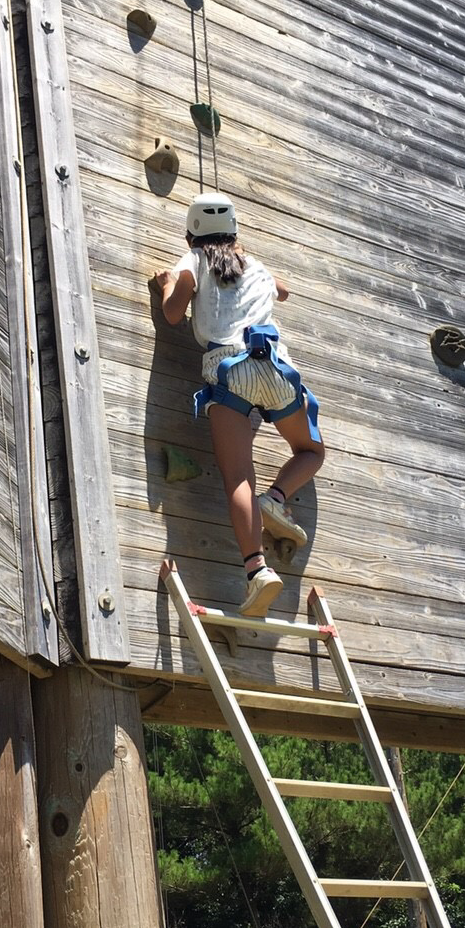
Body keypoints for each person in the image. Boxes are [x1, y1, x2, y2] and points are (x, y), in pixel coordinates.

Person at [152, 193, 326, 617]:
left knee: (238, 478)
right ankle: (278, 496)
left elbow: (174, 314)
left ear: (191, 234)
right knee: (311, 451)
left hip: (229, 369)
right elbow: (282, 291)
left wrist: (167, 284)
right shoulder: (256, 266)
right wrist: (248, 261)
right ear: (234, 234)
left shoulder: (191, 261)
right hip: (276, 367)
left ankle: (257, 571)